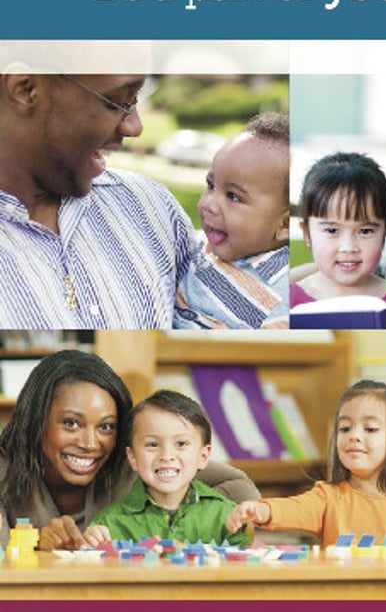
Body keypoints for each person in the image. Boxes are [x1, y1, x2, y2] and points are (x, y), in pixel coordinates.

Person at [0, 349, 259, 549]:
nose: (90, 444)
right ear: (36, 419)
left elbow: (237, 484)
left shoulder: (135, 464)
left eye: (106, 427)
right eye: (71, 423)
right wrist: (33, 546)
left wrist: (183, 533)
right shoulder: (5, 469)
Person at [0, 63, 193, 328]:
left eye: (135, 100)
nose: (134, 127)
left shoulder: (151, 207)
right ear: (25, 88)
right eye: (117, 102)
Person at [226, 379, 386, 562]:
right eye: (344, 428)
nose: (353, 435)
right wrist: (260, 509)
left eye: (370, 428)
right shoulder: (328, 498)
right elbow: (293, 508)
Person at [82, 390, 252, 546]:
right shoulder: (109, 523)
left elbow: (244, 570)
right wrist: (92, 548)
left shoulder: (227, 516)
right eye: (152, 444)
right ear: (133, 458)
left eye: (181, 444)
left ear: (203, 456)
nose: (166, 456)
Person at [175, 111, 290, 329]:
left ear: (284, 225)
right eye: (211, 185)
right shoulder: (193, 245)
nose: (209, 204)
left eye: (233, 196)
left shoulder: (280, 298)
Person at [289, 152, 386, 308]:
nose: (349, 248)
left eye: (365, 231)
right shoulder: (285, 303)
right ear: (307, 233)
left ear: (385, 231)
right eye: (332, 230)